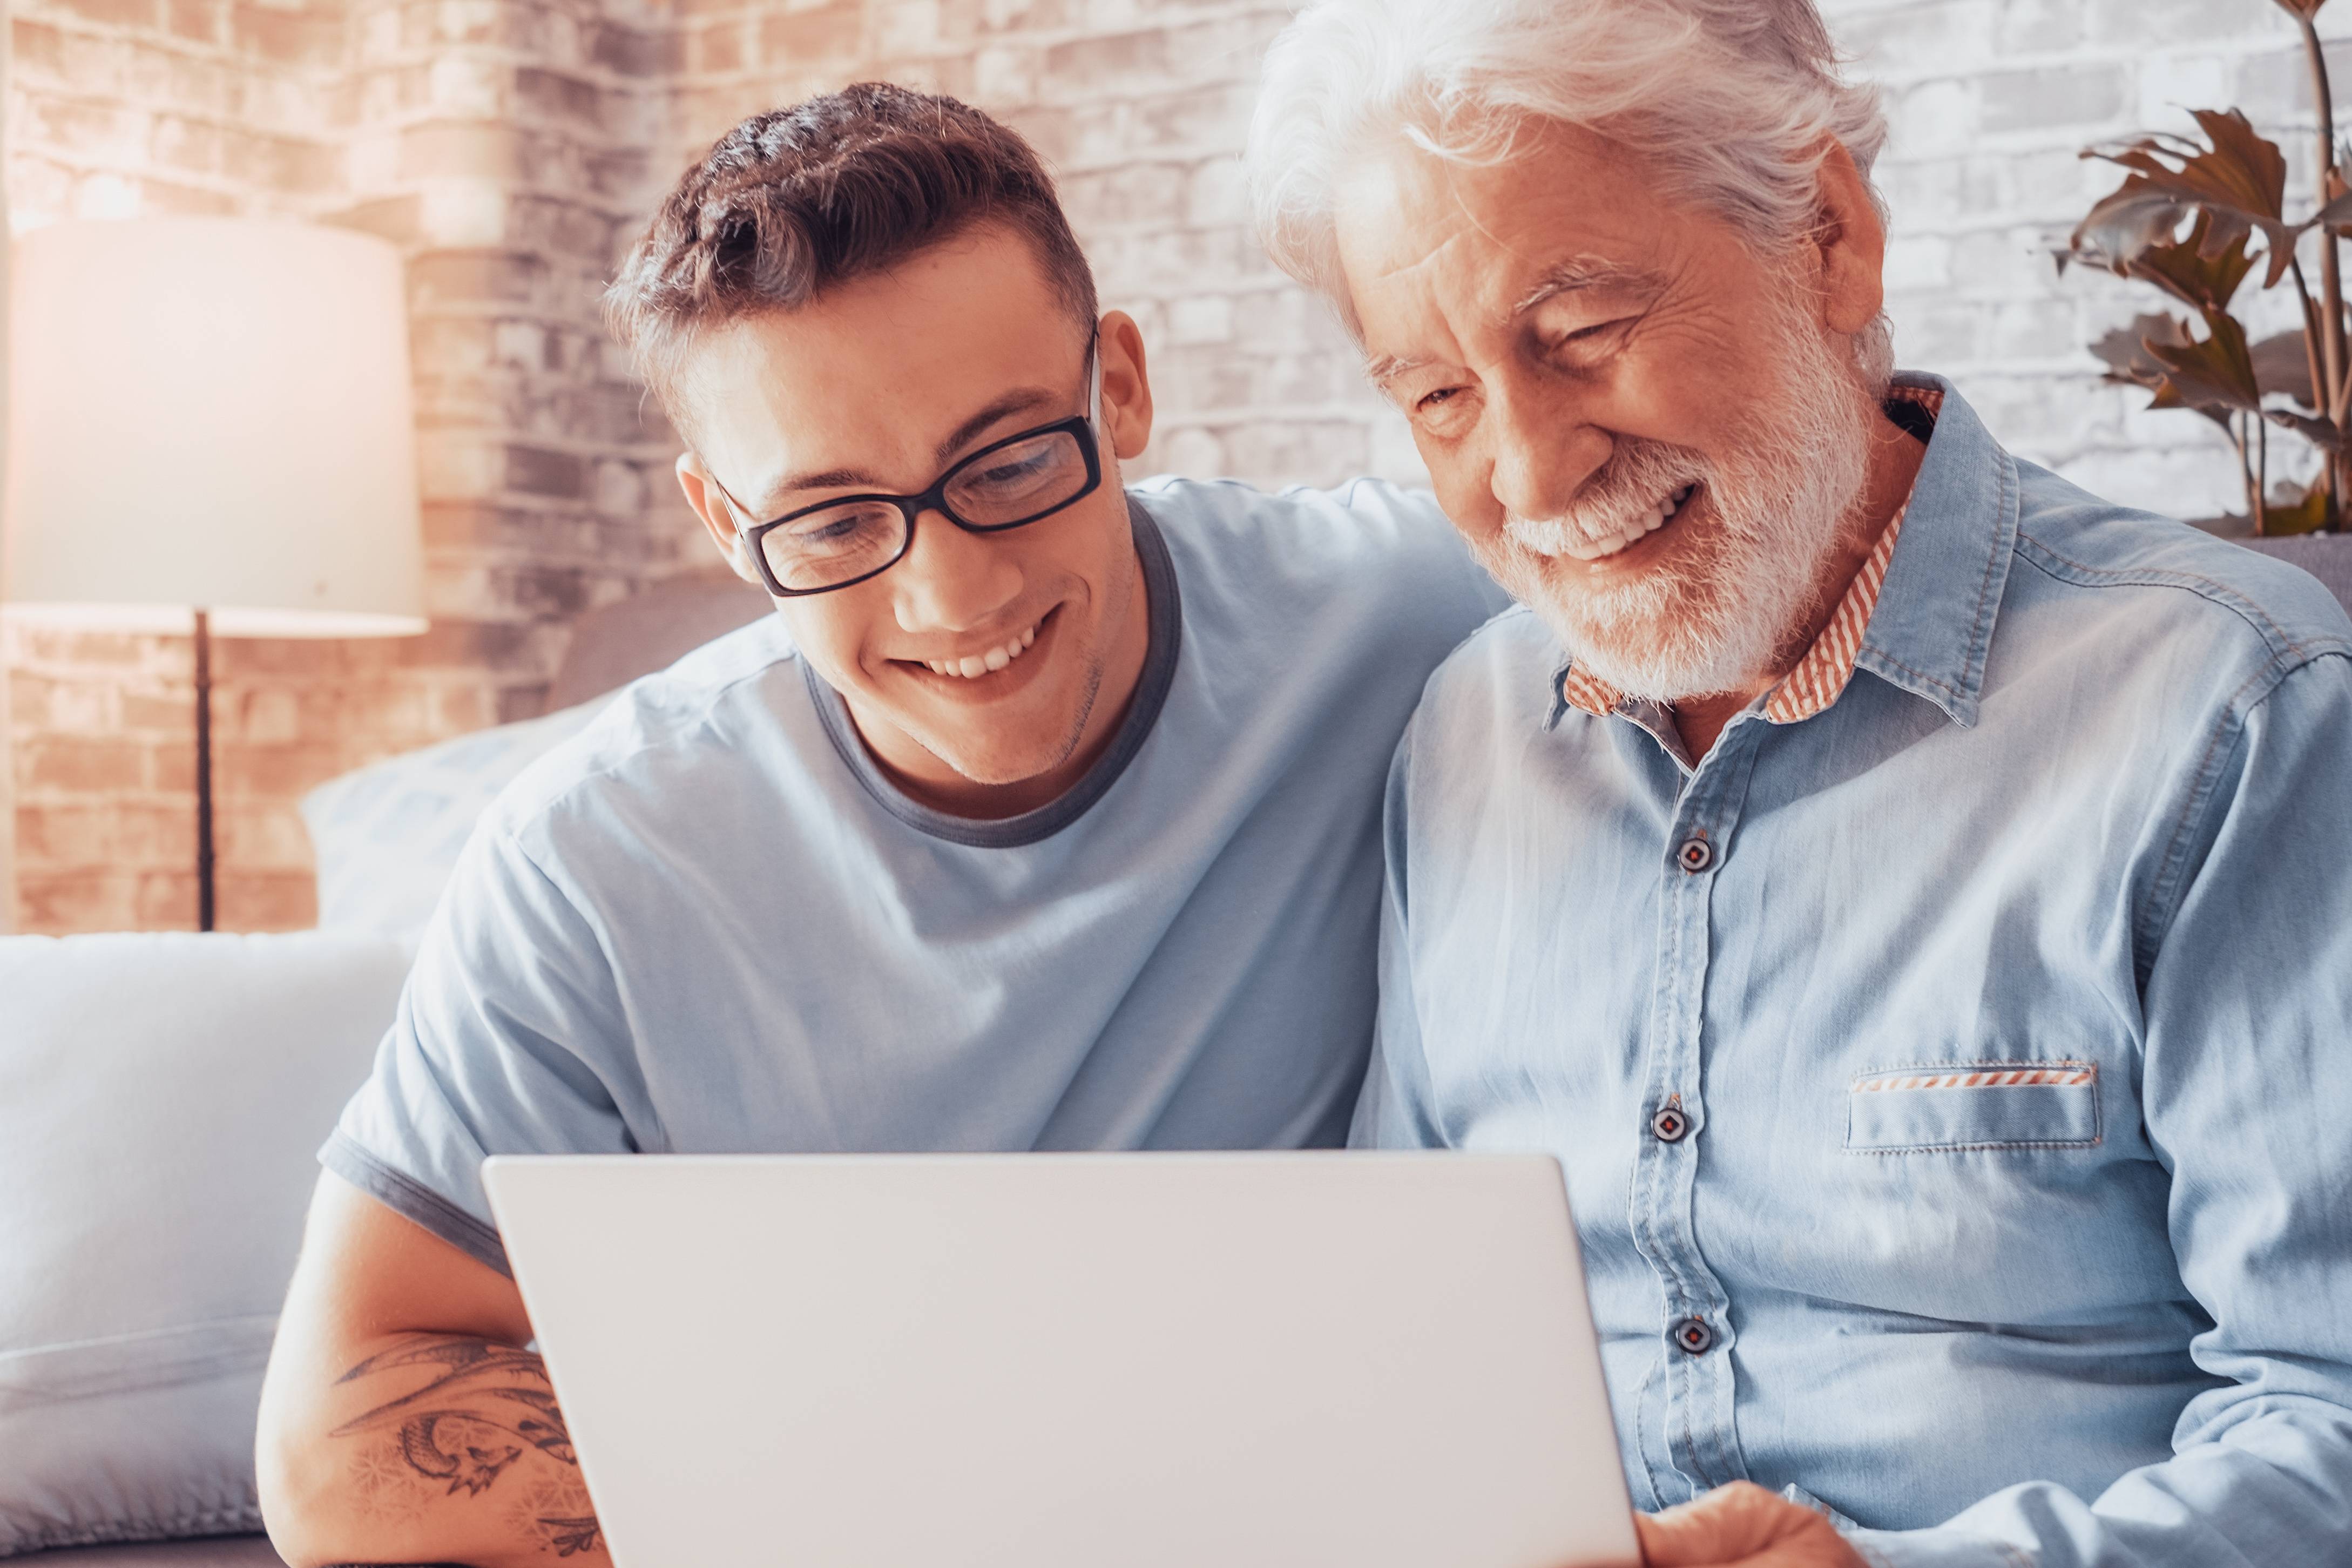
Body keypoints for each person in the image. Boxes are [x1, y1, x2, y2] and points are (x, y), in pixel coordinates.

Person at [255, 83, 1504, 1567]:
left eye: (1007, 465)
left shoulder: (1423, 613)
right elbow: (337, 1447)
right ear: (726, 528)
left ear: (1118, 390)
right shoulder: (598, 859)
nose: (954, 599)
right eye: (835, 523)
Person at [1245, 1, 2352, 1565]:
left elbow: (2330, 1419)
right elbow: (1403, 1361)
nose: (1530, 473)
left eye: (1576, 333)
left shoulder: (2226, 710)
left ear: (1828, 236)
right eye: (1436, 396)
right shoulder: (1464, 737)